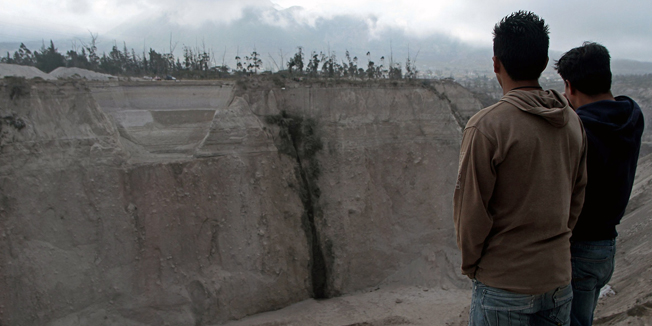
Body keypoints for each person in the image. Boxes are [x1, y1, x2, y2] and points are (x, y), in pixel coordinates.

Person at [453, 11, 588, 326]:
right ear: (544, 62)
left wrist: (475, 266)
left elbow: (471, 211)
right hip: (557, 280)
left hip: (503, 283)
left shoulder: (487, 127)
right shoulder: (571, 121)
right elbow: (576, 198)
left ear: (496, 64)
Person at [555, 42, 645, 326]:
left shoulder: (579, 130)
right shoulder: (632, 115)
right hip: (606, 248)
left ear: (569, 87)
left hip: (579, 248)